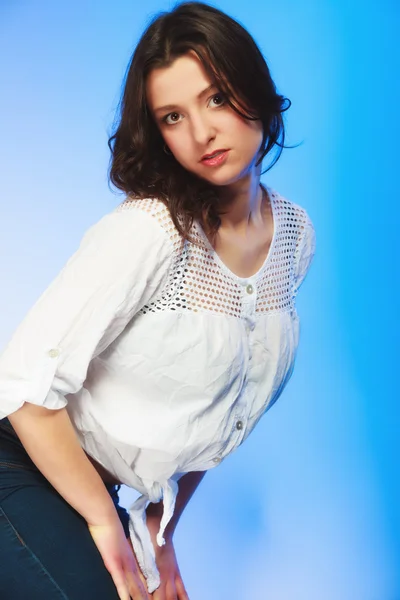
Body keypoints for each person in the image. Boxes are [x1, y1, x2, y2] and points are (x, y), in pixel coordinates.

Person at [0, 1, 316, 599]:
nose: (202, 133)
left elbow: (226, 405)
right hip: (19, 469)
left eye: (217, 98)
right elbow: (22, 388)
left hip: (92, 490)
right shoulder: (152, 230)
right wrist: (105, 523)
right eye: (173, 116)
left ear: (254, 88)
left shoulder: (293, 236)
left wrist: (158, 534)